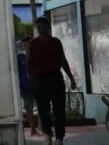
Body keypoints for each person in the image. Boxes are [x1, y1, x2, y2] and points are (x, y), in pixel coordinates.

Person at [27, 16, 77, 145]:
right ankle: (48, 134)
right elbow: (29, 63)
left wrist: (71, 78)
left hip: (55, 77)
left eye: (42, 27)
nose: (40, 30)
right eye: (38, 27)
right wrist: (33, 80)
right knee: (43, 110)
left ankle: (59, 137)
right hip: (40, 79)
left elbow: (63, 60)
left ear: (48, 28)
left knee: (59, 109)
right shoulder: (33, 43)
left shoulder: (56, 42)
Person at [18, 37, 39, 136]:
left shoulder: (36, 55)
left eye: (28, 44)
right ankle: (33, 128)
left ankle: (41, 127)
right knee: (28, 108)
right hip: (25, 87)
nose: (27, 46)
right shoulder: (20, 57)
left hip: (37, 85)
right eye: (25, 45)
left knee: (41, 107)